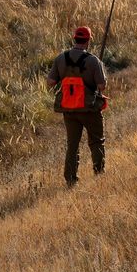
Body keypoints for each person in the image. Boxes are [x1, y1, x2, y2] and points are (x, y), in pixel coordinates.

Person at [46, 26, 107, 186]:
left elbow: (51, 82)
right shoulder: (94, 60)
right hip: (89, 108)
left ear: (74, 39)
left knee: (72, 145)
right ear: (88, 40)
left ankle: (71, 180)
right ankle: (99, 173)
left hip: (69, 109)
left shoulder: (60, 58)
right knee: (96, 141)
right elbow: (101, 86)